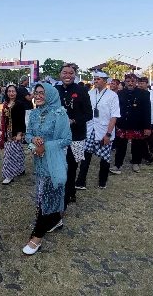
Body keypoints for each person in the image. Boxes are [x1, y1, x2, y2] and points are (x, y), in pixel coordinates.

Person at [23, 83, 71, 255]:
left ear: (50, 95)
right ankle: (56, 219)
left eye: (42, 93)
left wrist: (46, 147)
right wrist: (33, 141)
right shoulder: (34, 113)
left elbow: (67, 139)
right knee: (43, 193)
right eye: (36, 93)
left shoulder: (60, 113)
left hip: (54, 161)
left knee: (48, 196)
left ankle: (37, 236)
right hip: (39, 162)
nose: (38, 96)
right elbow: (28, 135)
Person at [54, 62, 92, 205]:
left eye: (71, 73)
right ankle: (61, 191)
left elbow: (89, 114)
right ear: (60, 74)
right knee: (59, 165)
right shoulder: (54, 90)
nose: (67, 75)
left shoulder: (81, 90)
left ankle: (70, 193)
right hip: (57, 135)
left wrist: (73, 120)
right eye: (65, 72)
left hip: (75, 135)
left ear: (74, 75)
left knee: (71, 166)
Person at [75, 71, 119, 189]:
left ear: (105, 81)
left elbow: (114, 116)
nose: (95, 81)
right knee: (86, 156)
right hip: (90, 129)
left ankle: (102, 181)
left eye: (98, 79)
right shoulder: (89, 93)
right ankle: (80, 181)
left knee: (104, 158)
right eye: (94, 79)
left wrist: (108, 134)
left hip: (104, 130)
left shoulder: (112, 96)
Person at [112, 74, 151, 173]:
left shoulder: (144, 93)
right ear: (125, 82)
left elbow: (147, 111)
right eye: (128, 81)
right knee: (120, 146)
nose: (130, 83)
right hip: (122, 124)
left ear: (136, 82)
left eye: (132, 81)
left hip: (137, 124)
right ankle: (117, 165)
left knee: (137, 145)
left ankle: (136, 163)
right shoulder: (120, 93)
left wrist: (147, 127)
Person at [0, 83, 26, 185]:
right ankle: (20, 169)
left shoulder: (19, 104)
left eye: (13, 91)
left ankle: (9, 175)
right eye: (9, 91)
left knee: (9, 155)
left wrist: (20, 134)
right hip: (7, 133)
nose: (11, 93)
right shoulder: (6, 104)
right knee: (18, 152)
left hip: (16, 133)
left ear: (16, 92)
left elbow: (21, 120)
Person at [137, 76, 153, 162]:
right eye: (139, 83)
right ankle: (139, 156)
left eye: (142, 83)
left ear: (147, 84)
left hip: (151, 120)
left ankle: (150, 155)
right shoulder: (136, 93)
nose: (140, 85)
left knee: (150, 139)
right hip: (138, 120)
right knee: (139, 140)